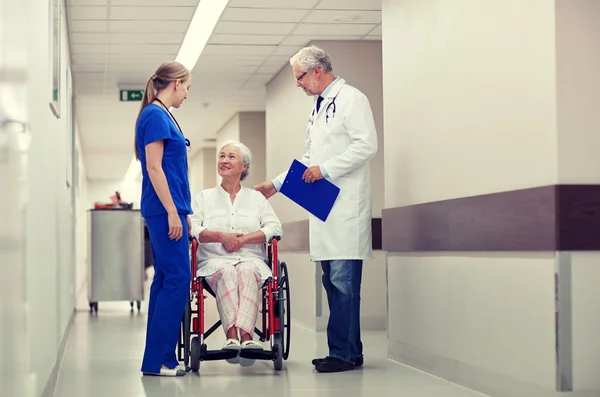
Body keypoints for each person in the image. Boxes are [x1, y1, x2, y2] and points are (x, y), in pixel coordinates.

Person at [254, 46, 378, 373]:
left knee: (343, 284)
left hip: (346, 207)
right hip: (326, 211)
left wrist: (326, 170)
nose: (298, 85)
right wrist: (275, 184)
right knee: (332, 283)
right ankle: (346, 349)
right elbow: (309, 157)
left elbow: (367, 145)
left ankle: (344, 354)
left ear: (317, 71)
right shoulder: (318, 108)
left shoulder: (352, 99)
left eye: (299, 78)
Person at [190, 141, 283, 367]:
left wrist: (244, 239)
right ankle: (234, 336)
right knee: (227, 271)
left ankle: (245, 338)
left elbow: (275, 228)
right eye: (222, 156)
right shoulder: (204, 197)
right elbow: (193, 227)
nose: (224, 160)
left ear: (244, 166)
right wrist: (222, 237)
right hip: (214, 261)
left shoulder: (257, 198)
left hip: (251, 259)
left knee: (246, 270)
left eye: (231, 157)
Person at [135, 61, 193, 377]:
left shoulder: (161, 115)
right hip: (163, 210)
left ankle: (156, 359)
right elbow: (154, 168)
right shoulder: (155, 115)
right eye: (186, 87)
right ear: (175, 84)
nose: (186, 94)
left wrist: (182, 211)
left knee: (163, 281)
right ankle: (162, 360)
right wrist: (173, 211)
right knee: (178, 279)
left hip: (170, 208)